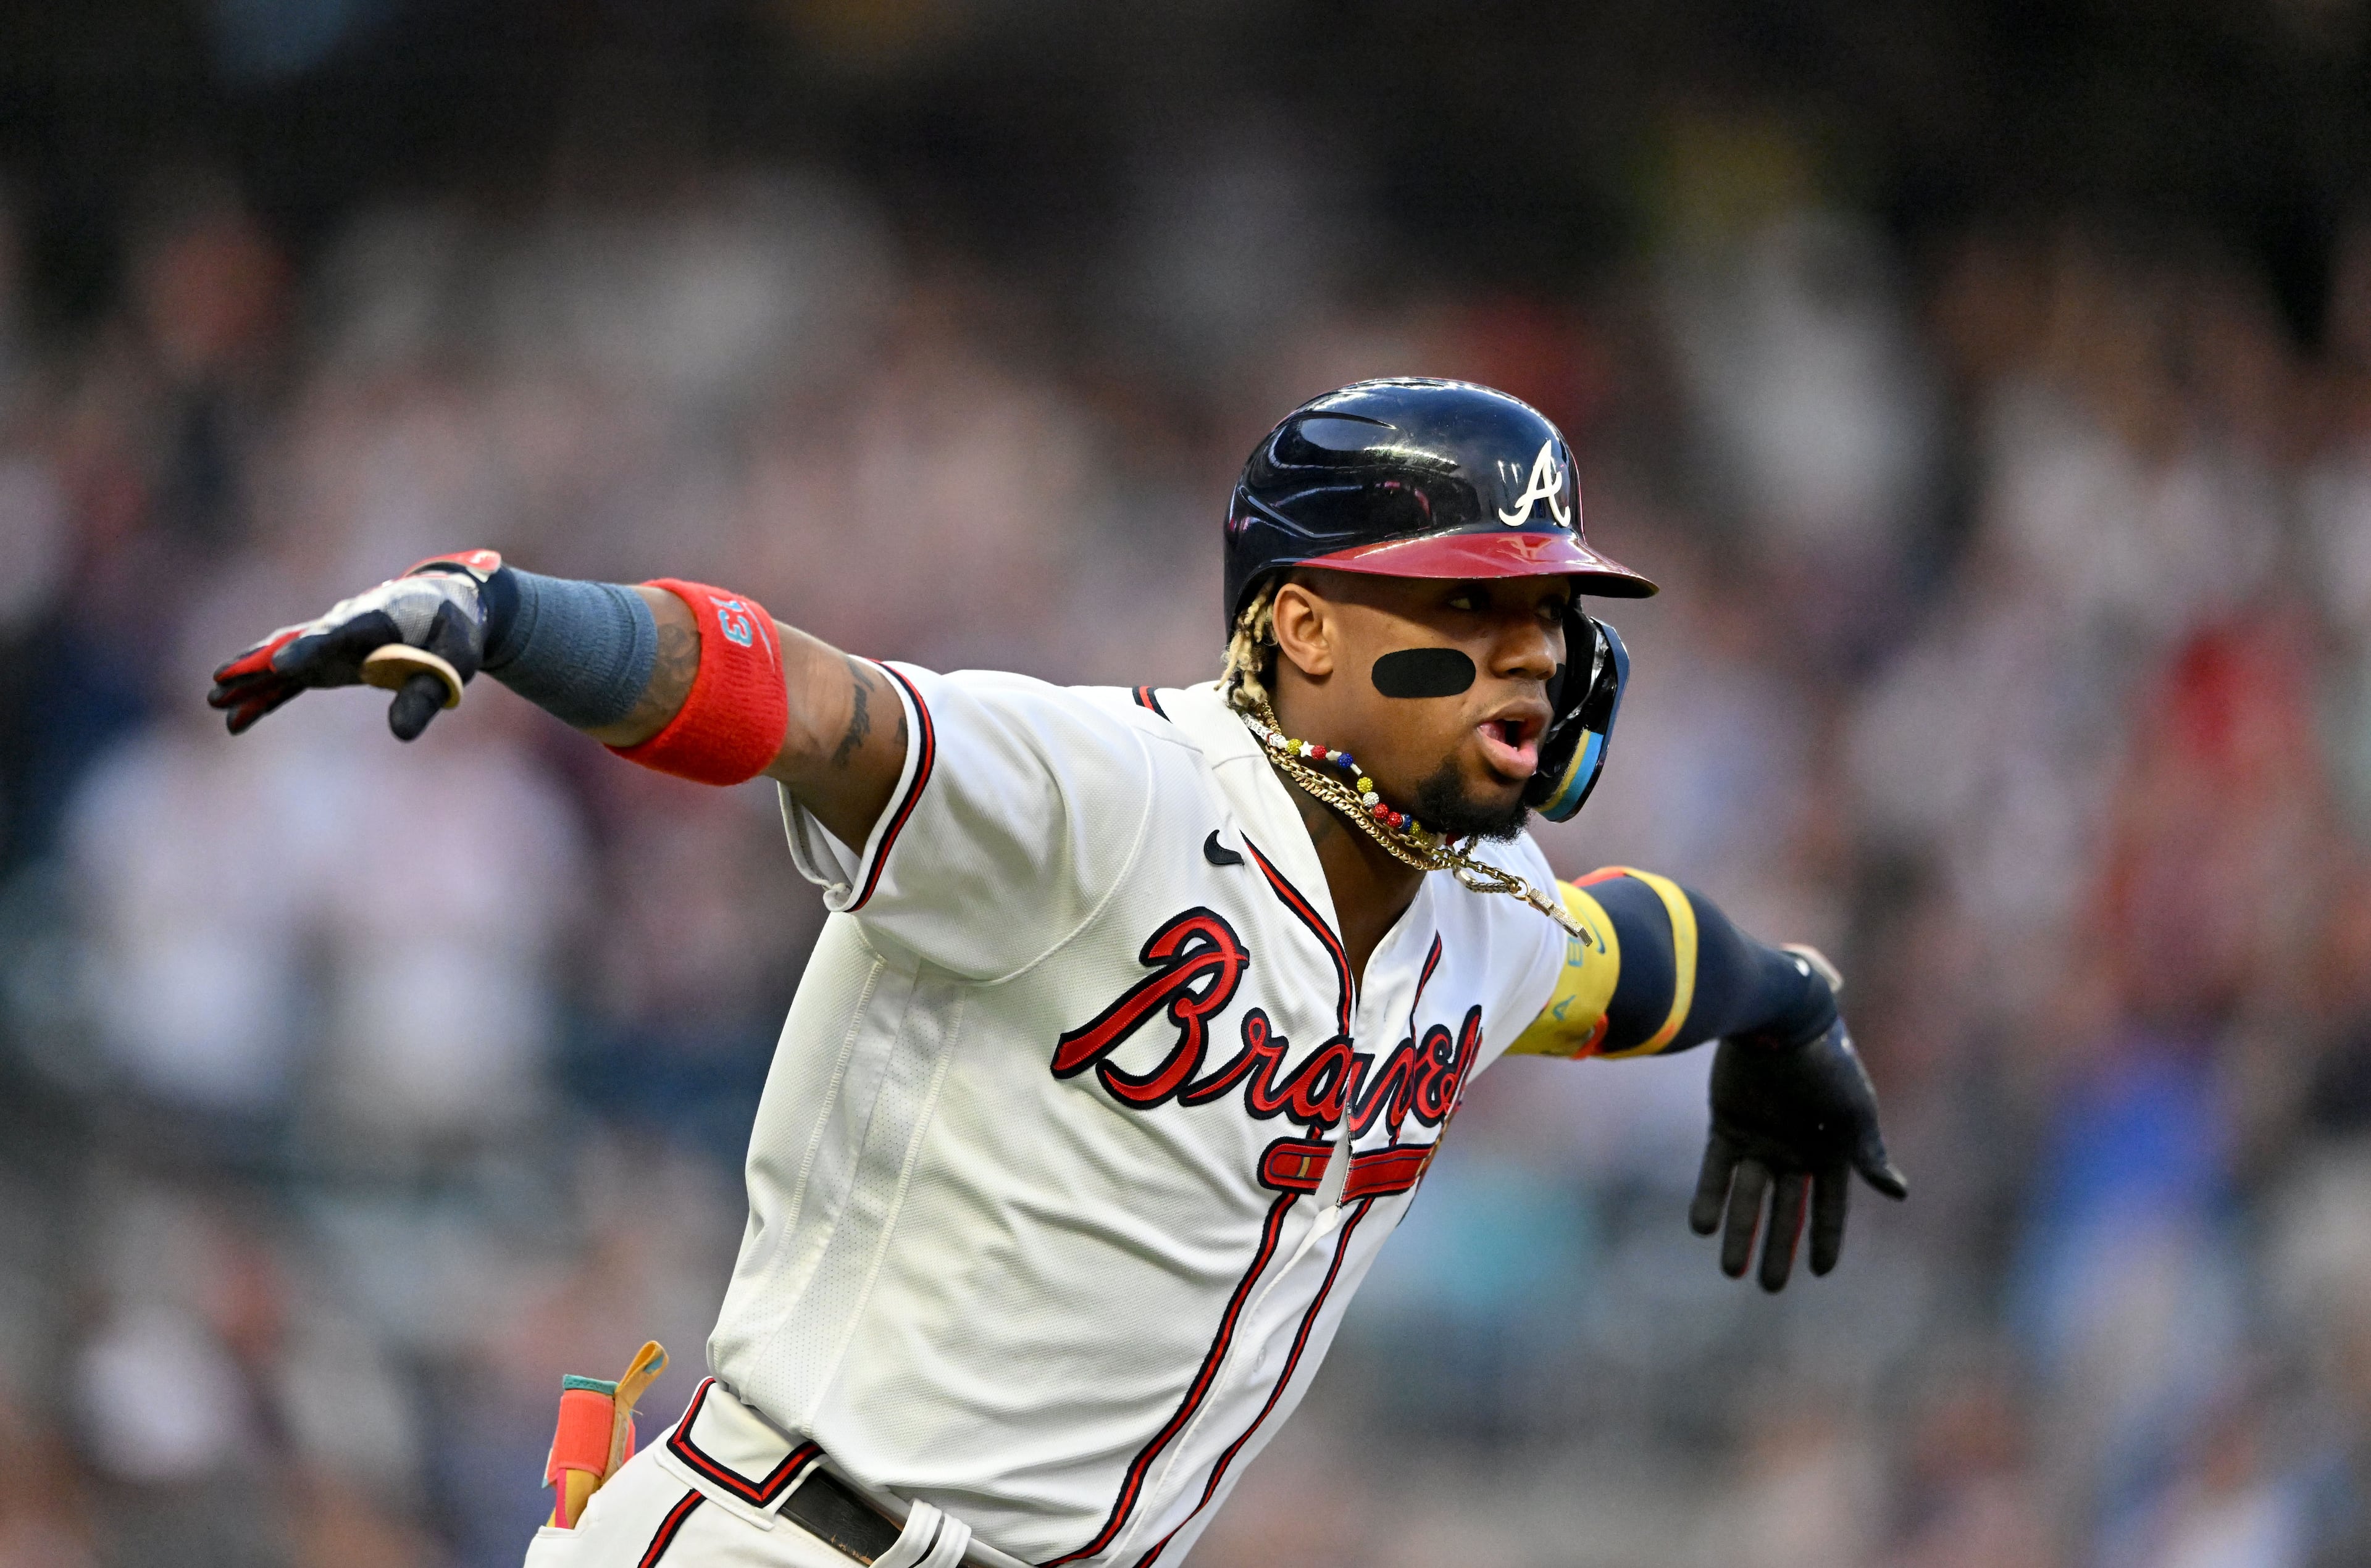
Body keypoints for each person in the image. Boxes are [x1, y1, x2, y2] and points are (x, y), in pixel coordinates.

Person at [210, 378, 1907, 1568]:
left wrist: (1793, 1004)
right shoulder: (1110, 791)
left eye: (1550, 606)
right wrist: (507, 613)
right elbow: (804, 704)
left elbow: (1636, 957)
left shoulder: (1486, 908)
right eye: (1472, 604)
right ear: (1304, 626)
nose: (1535, 646)